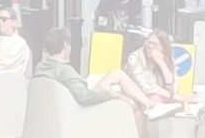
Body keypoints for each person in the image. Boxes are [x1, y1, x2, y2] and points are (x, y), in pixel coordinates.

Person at [33, 27, 179, 121]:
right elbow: (84, 96)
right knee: (124, 86)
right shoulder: (65, 71)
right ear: (66, 45)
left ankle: (151, 106)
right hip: (81, 111)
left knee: (119, 78)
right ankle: (152, 106)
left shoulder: (41, 67)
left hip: (57, 114)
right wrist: (113, 95)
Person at [123, 30, 185, 103]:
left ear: (163, 47)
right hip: (139, 95)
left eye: (155, 44)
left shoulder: (168, 57)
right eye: (149, 42)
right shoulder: (135, 58)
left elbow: (173, 87)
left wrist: (162, 63)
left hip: (161, 94)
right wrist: (172, 96)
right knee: (155, 98)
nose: (150, 46)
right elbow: (145, 86)